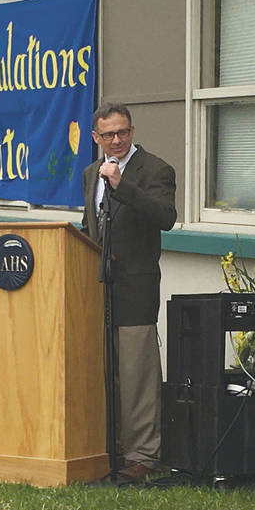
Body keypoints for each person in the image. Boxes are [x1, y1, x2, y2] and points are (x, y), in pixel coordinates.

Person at [80, 102, 177, 485]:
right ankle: (107, 447)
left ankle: (142, 456)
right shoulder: (90, 173)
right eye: (108, 135)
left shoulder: (155, 170)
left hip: (135, 289)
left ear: (132, 132)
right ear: (96, 138)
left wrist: (123, 185)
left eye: (123, 133)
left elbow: (165, 216)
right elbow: (90, 227)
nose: (116, 140)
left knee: (136, 375)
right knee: (102, 372)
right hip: (96, 289)